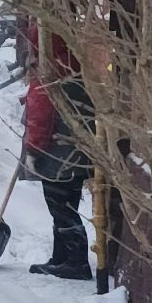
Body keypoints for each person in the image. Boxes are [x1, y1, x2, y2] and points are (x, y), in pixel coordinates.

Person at [26, 31, 96, 280]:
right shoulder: (75, 64)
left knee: (61, 209)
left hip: (57, 153)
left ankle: (76, 262)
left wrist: (33, 150)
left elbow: (41, 116)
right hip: (79, 150)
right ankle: (62, 258)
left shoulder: (47, 72)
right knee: (69, 206)